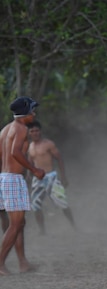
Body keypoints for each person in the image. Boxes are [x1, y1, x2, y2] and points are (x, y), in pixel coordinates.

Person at [0, 96, 45, 274]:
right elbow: (15, 152)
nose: (34, 113)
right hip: (12, 179)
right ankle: (0, 263)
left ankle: (23, 263)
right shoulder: (20, 128)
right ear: (25, 113)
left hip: (4, 177)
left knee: (19, 223)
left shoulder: (5, 129)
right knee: (16, 224)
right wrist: (34, 169)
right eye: (32, 110)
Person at [27, 120, 76, 235]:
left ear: (40, 131)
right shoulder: (30, 147)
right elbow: (30, 162)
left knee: (62, 202)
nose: (35, 133)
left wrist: (63, 176)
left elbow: (59, 158)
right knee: (36, 204)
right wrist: (29, 175)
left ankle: (74, 226)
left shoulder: (48, 144)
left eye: (37, 130)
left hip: (51, 177)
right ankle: (42, 230)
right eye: (32, 131)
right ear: (29, 133)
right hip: (37, 178)